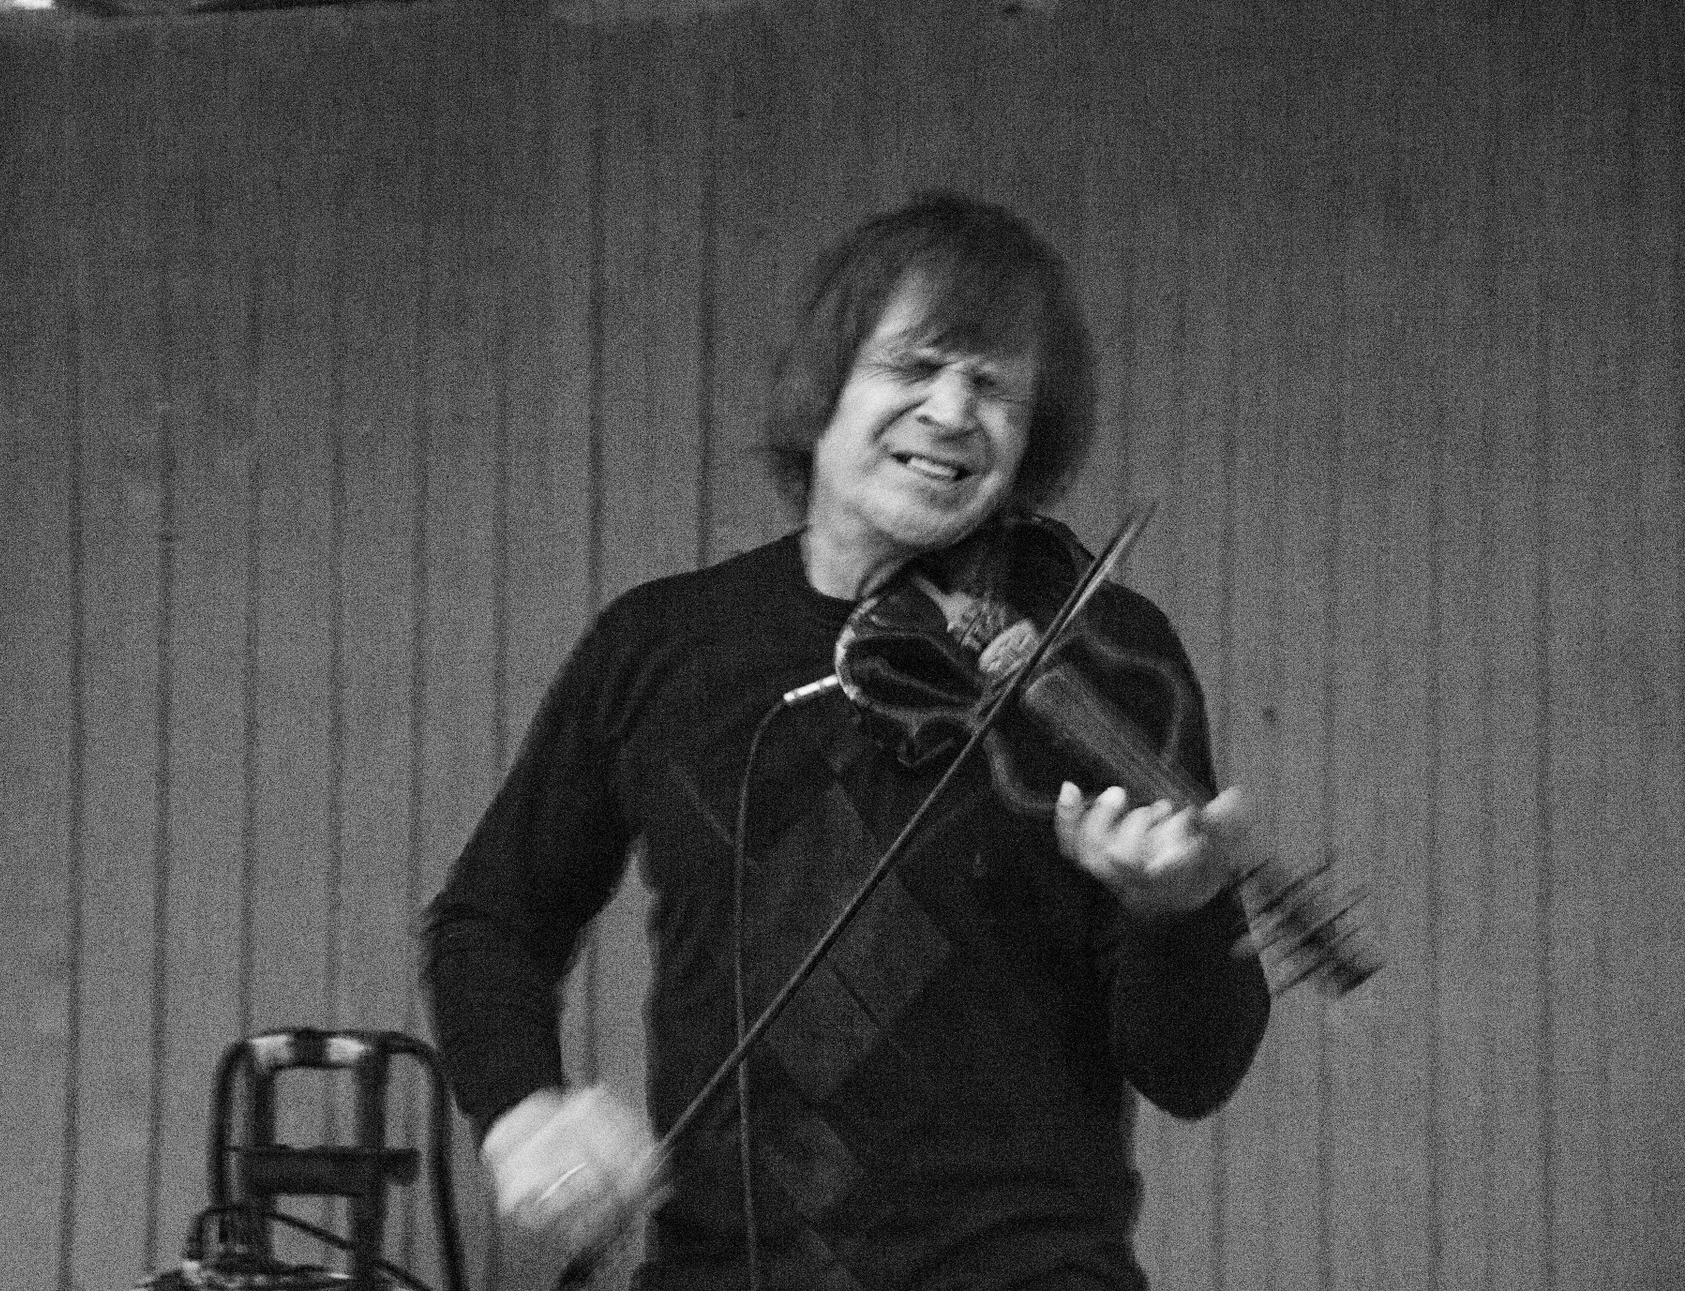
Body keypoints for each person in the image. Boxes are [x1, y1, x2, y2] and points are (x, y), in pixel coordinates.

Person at [423, 192, 1271, 1291]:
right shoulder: (663, 645)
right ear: (824, 387)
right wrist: (521, 1113)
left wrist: (1177, 915)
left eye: (994, 387)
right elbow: (491, 920)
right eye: (915, 366)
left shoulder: (1096, 658)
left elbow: (1195, 1070)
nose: (953, 411)